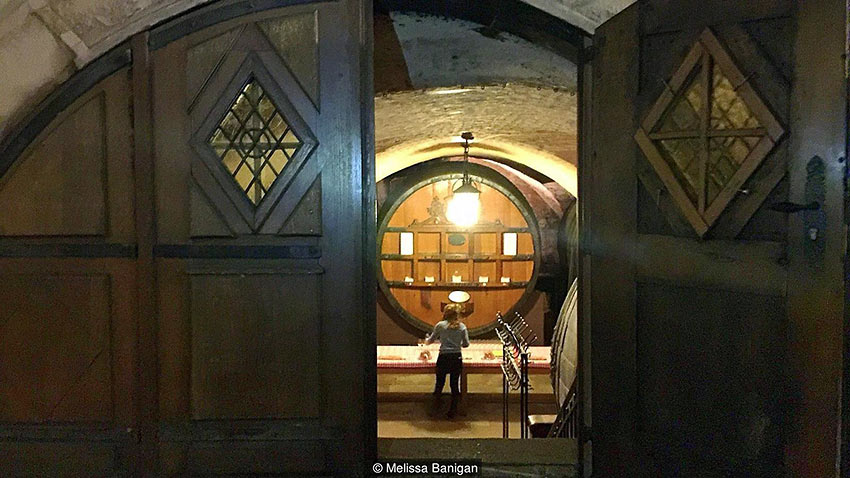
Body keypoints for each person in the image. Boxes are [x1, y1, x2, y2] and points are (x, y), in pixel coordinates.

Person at [424, 303, 470, 418]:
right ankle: (453, 411)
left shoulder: (440, 325)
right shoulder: (462, 327)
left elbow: (430, 340)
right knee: (454, 385)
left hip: (444, 357)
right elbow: (466, 344)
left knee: (439, 383)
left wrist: (426, 339)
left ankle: (435, 409)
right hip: (456, 357)